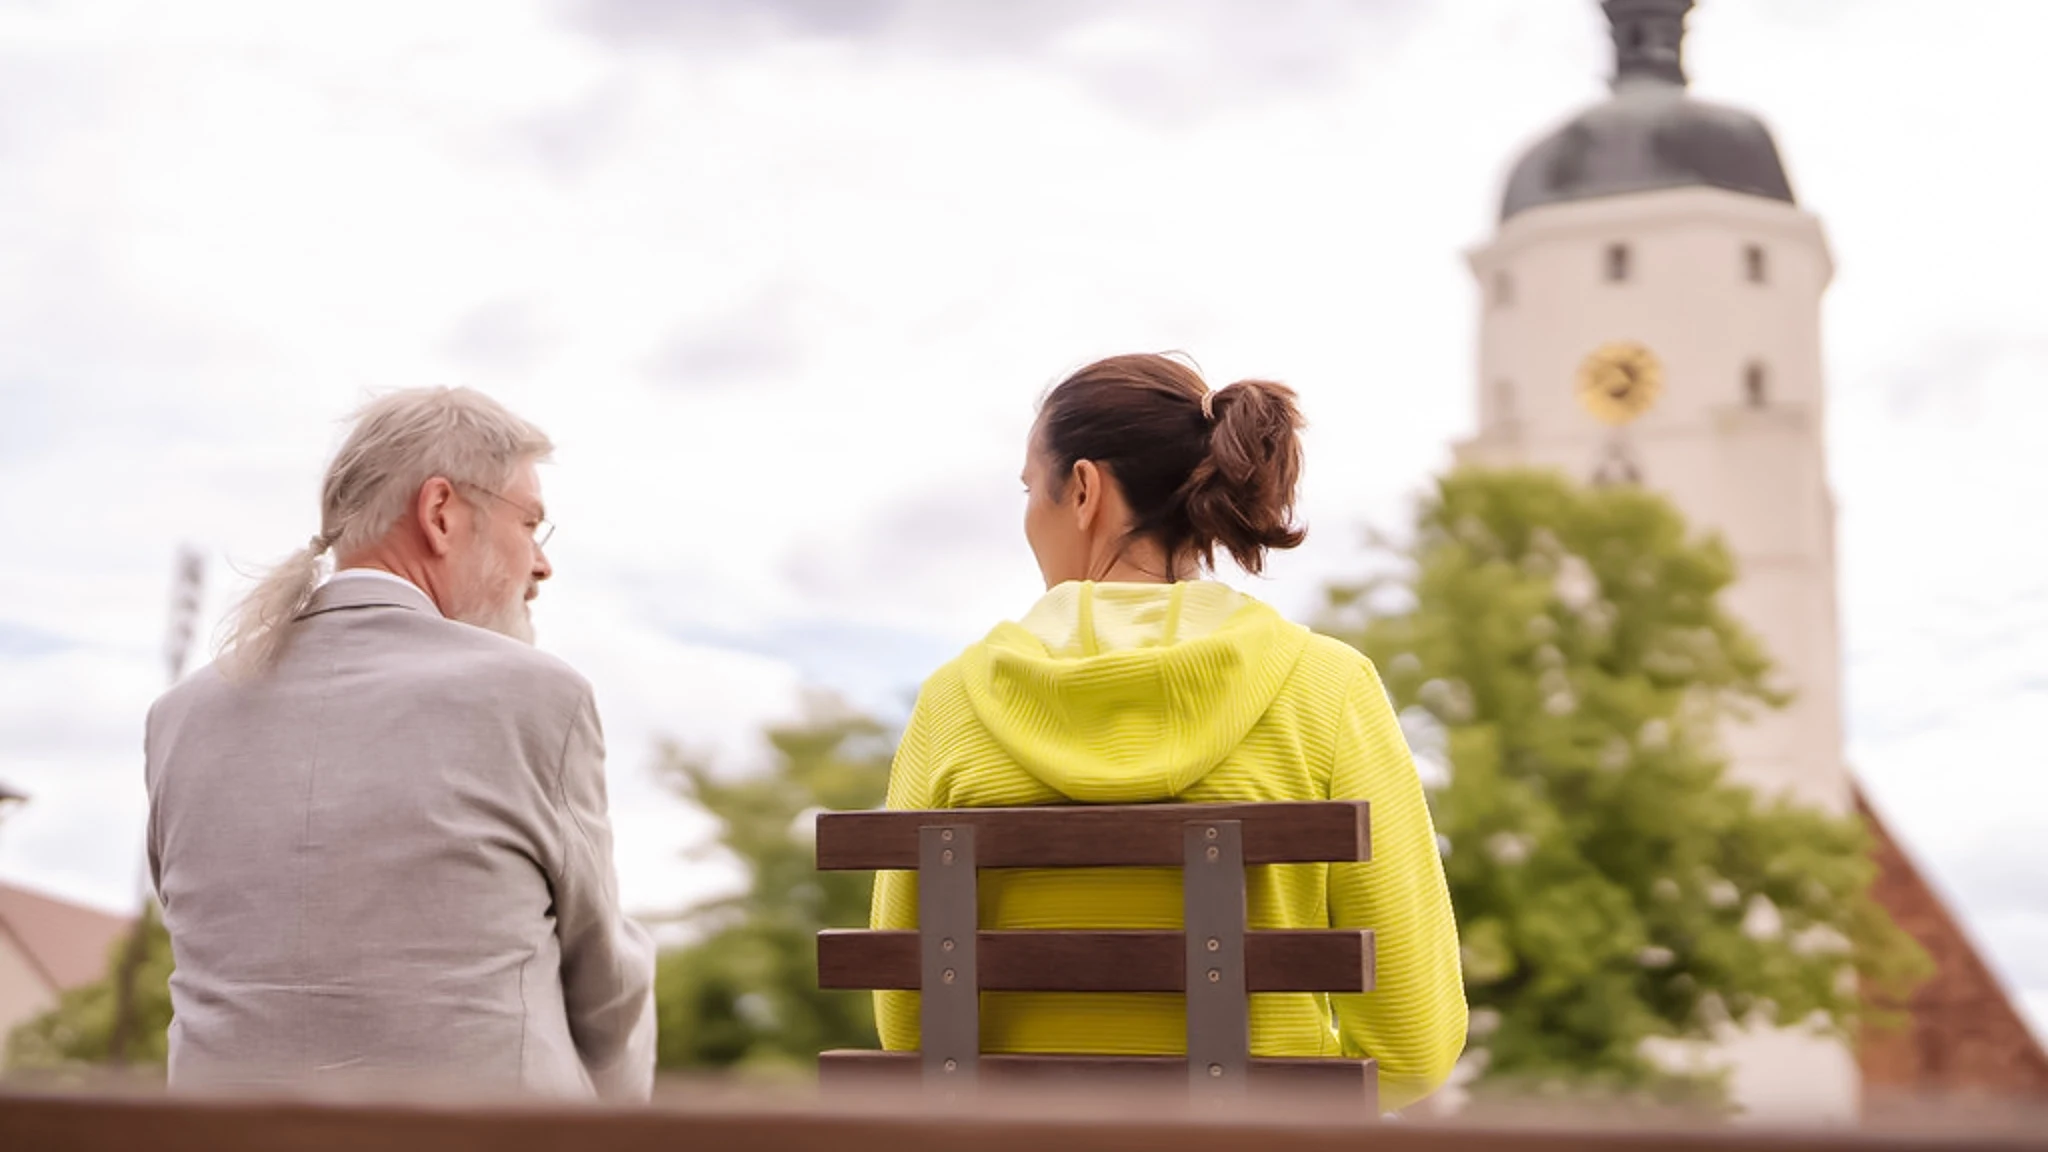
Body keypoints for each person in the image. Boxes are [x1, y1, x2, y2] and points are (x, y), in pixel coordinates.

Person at [870, 353, 1467, 1111]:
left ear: (1083, 490)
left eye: (1030, 489)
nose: (1028, 515)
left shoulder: (953, 702)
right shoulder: (1325, 686)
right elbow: (1414, 1047)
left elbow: (909, 1022)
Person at [145, 387, 655, 1101]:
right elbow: (604, 988)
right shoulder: (537, 696)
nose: (541, 566)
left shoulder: (180, 715)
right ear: (440, 512)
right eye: (530, 523)